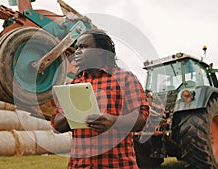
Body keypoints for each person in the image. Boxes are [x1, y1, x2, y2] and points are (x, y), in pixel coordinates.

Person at [51, 29, 149, 169]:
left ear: (100, 51)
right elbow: (57, 125)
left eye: (83, 47)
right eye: (77, 47)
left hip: (117, 165)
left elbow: (142, 118)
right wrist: (72, 113)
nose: (77, 51)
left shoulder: (125, 79)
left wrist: (113, 121)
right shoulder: (73, 85)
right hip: (79, 165)